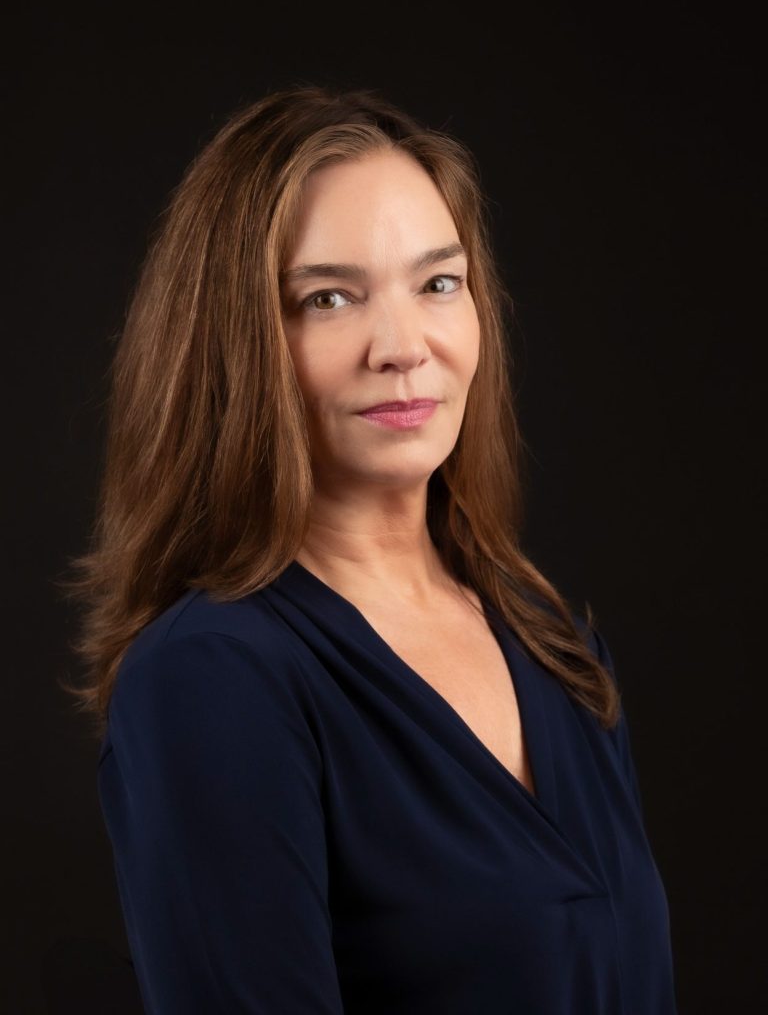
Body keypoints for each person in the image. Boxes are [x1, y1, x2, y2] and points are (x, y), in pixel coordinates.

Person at [61, 84, 677, 1013]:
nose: (403, 345)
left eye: (438, 283)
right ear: (237, 344)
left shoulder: (554, 647)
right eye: (329, 298)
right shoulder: (212, 680)